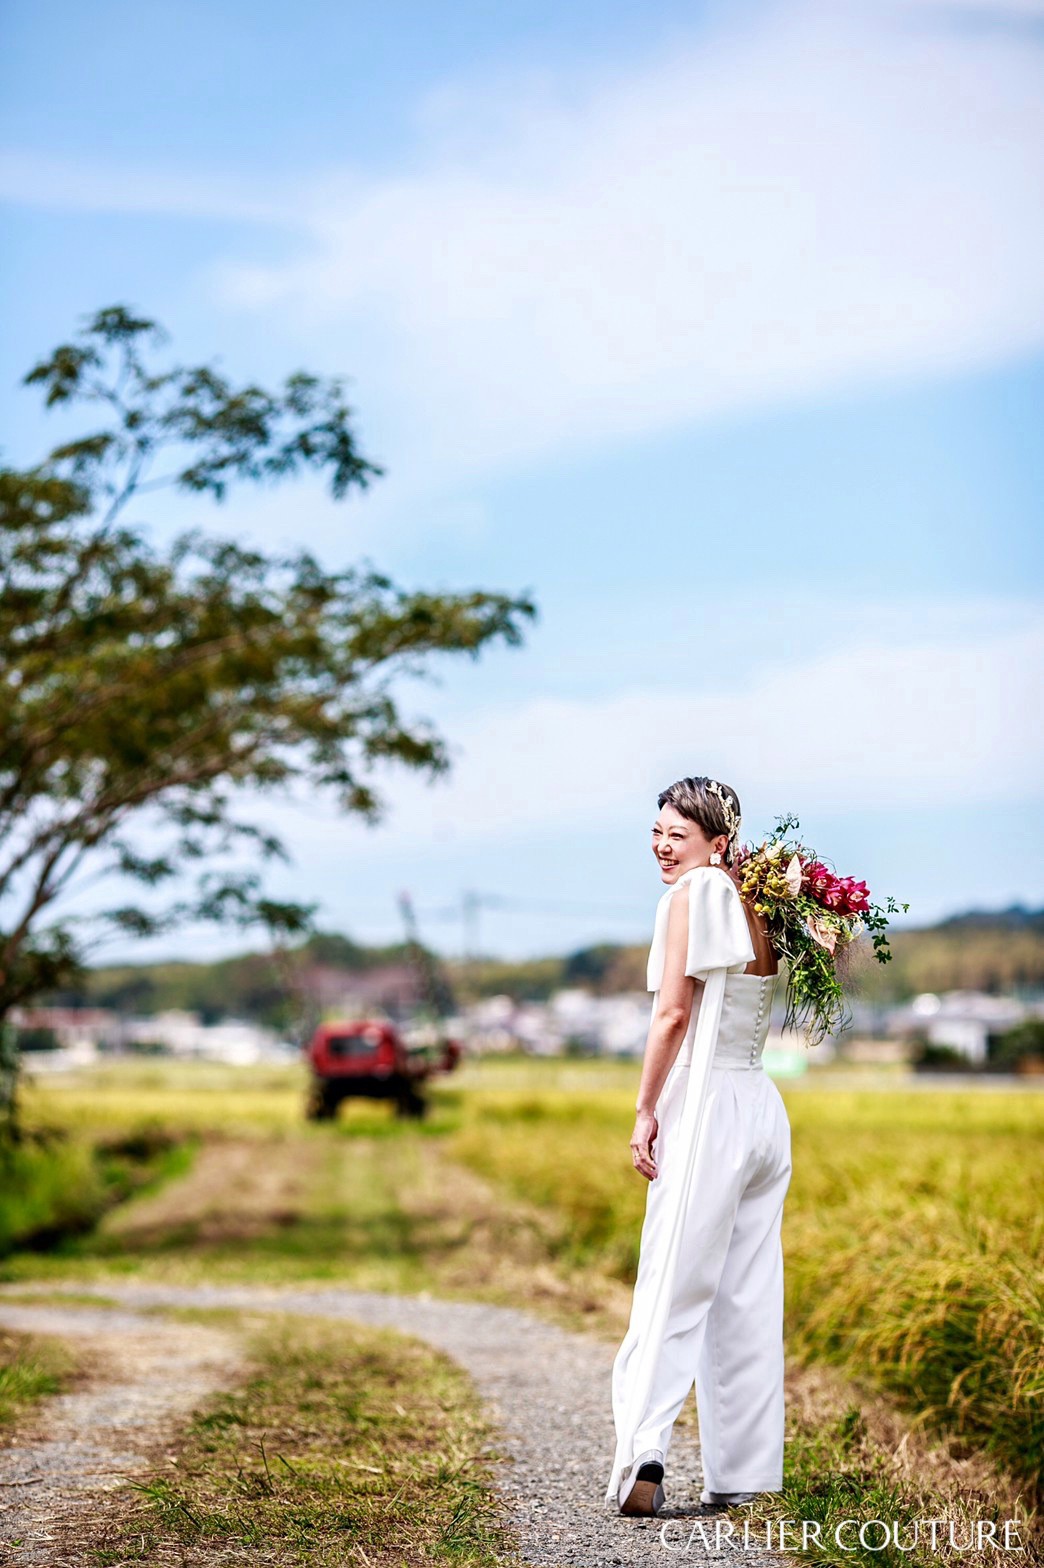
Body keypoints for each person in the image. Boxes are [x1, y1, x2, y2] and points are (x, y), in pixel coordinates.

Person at [605, 776, 792, 1516]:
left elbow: (672, 1017)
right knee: (746, 1291)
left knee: (672, 1286)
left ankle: (643, 1456)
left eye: (676, 835)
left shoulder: (690, 898)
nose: (660, 846)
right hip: (762, 1110)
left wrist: (646, 1108)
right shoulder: (768, 904)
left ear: (719, 843)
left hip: (707, 1105)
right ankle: (744, 1473)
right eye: (656, 832)